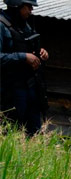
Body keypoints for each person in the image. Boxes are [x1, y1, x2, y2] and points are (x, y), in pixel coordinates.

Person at [0, 0, 48, 136]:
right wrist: (23, 57)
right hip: (9, 90)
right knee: (11, 131)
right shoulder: (1, 25)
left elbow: (28, 47)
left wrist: (41, 52)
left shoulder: (24, 25)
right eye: (28, 6)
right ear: (17, 5)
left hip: (30, 86)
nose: (31, 10)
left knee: (34, 132)